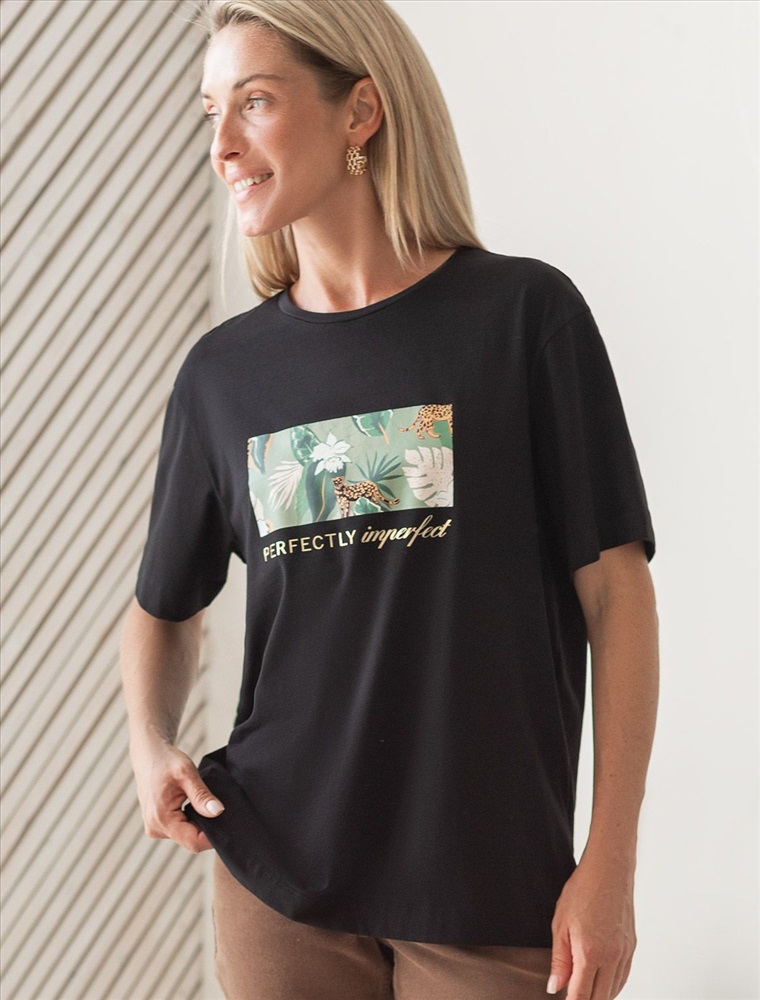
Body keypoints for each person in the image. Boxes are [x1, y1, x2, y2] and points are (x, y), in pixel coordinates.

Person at [119, 1, 659, 998]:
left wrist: (611, 859)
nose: (222, 143)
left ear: (360, 111)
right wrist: (150, 745)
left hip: (492, 888)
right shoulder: (223, 376)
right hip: (278, 880)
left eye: (254, 102)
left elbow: (616, 596)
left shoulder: (523, 320)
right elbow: (161, 608)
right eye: (210, 112)